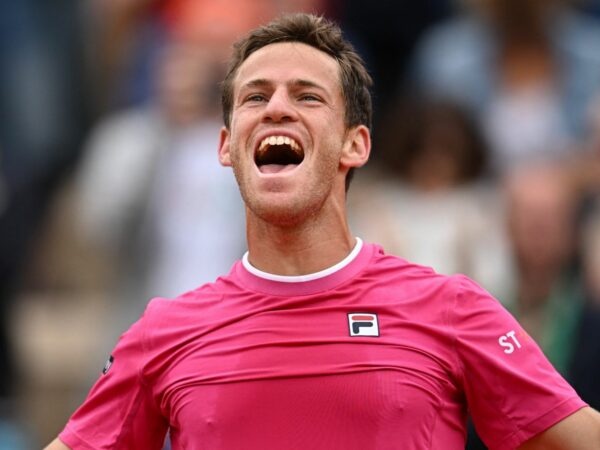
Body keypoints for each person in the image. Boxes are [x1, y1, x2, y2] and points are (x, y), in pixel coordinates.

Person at [45, 13, 600, 450]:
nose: (276, 109)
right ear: (225, 146)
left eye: (307, 96)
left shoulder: (452, 308)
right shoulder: (162, 333)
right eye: (255, 97)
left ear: (356, 145)